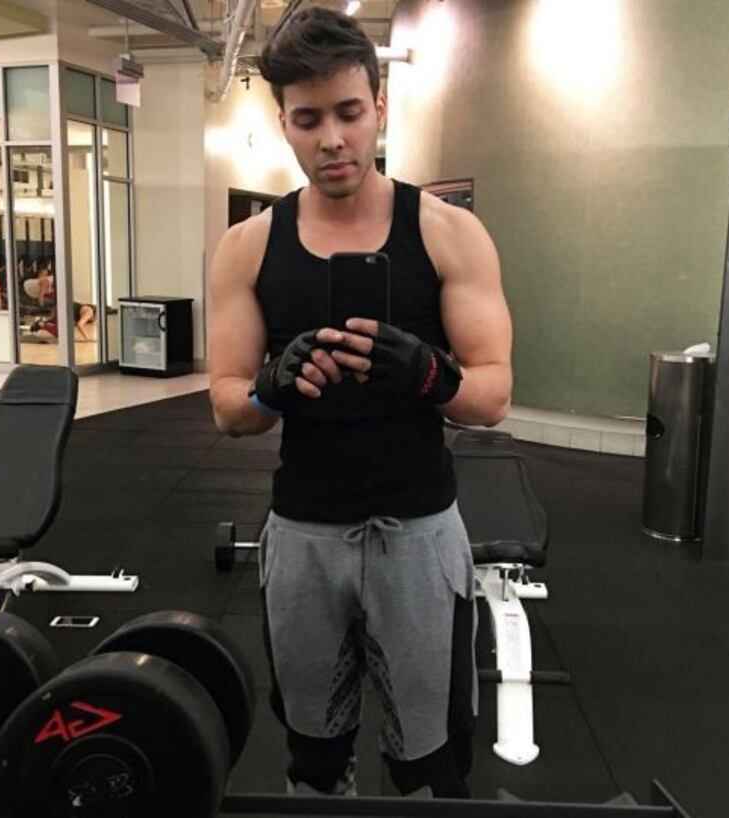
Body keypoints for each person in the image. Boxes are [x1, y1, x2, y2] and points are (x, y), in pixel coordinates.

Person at [208, 6, 512, 799]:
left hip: (419, 532)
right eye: (308, 120)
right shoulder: (247, 247)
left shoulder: (447, 233)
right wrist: (272, 386)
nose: (332, 140)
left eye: (348, 113)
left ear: (379, 106)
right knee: (314, 759)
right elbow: (228, 408)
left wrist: (430, 376)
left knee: (430, 763)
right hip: (304, 533)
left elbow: (493, 395)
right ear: (284, 123)